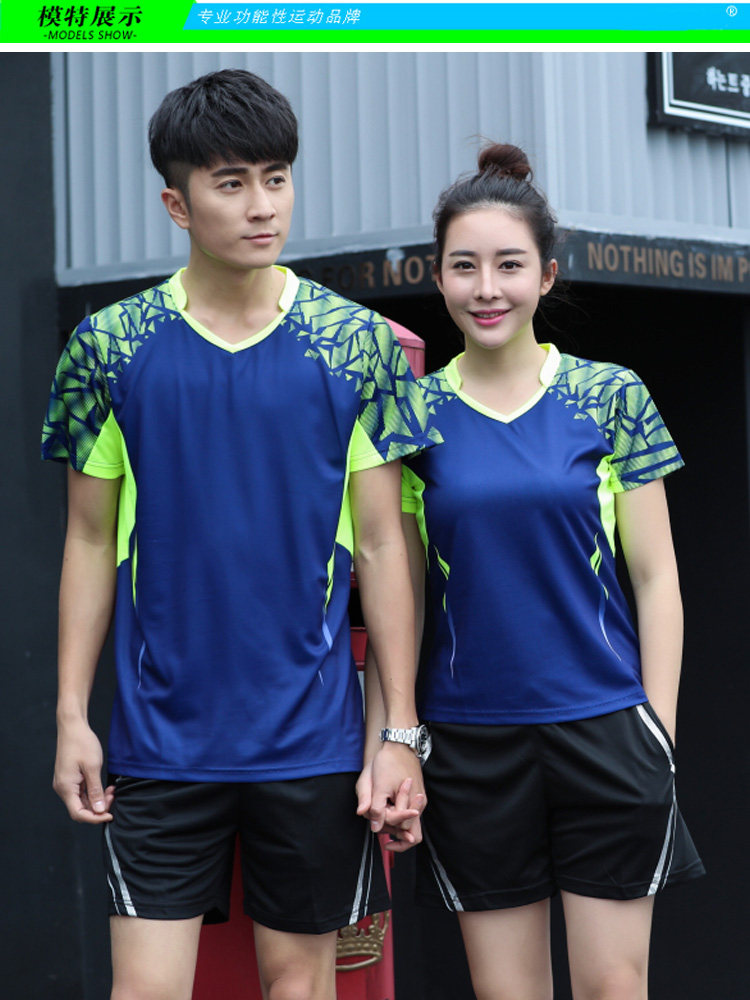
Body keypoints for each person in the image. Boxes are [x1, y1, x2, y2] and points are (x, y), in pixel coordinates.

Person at [41, 69, 440, 1000]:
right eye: (232, 183)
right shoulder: (107, 349)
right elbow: (89, 543)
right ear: (176, 204)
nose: (263, 205)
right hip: (159, 742)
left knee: (300, 988)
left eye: (277, 177)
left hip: (313, 745)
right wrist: (70, 716)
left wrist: (399, 733)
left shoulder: (358, 345)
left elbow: (385, 547)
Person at [380, 141, 705, 1000]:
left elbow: (658, 580)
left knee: (612, 988)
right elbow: (398, 594)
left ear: (547, 276)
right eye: (464, 266)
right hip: (470, 745)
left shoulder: (612, 396)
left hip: (605, 733)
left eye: (509, 265)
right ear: (438, 277)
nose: (487, 288)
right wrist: (397, 738)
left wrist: (658, 733)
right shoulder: (412, 416)